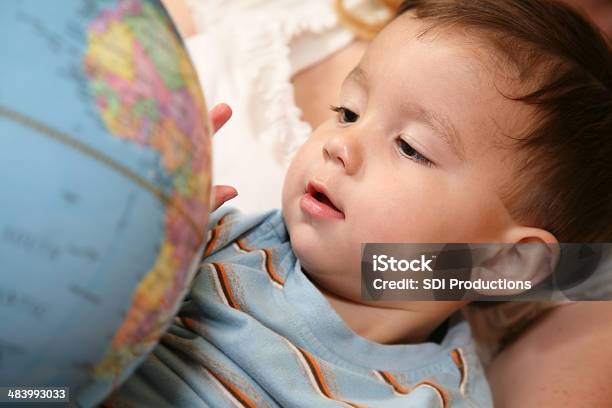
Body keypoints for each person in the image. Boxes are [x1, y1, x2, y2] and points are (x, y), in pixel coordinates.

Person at [101, 0, 612, 406]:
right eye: (347, 112)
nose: (339, 145)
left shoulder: (428, 400)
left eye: (410, 147)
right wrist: (135, 223)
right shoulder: (220, 241)